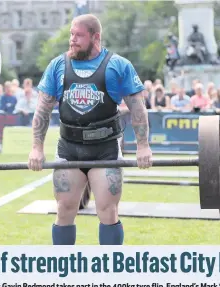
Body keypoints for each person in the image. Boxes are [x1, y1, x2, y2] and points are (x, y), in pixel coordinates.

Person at [29, 14, 152, 246]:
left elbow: (138, 109)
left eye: (79, 35)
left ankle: (110, 274)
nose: (72, 40)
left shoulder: (118, 65)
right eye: (71, 35)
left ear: (96, 37)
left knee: (107, 211)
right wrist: (36, 148)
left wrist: (143, 146)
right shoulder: (57, 65)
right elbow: (42, 111)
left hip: (105, 149)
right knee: (64, 209)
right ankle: (64, 273)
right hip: (69, 149)